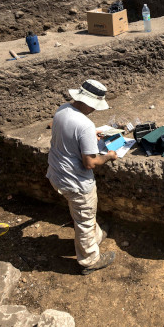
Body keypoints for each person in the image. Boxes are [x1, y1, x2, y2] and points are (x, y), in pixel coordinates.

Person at [46, 79, 118, 275]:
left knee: (81, 213)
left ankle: (95, 236)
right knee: (84, 220)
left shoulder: (62, 109)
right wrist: (109, 156)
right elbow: (90, 163)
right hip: (76, 181)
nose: (95, 111)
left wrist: (87, 137)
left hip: (57, 174)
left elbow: (65, 132)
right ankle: (89, 261)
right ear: (90, 103)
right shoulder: (85, 124)